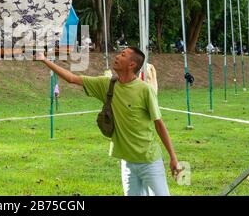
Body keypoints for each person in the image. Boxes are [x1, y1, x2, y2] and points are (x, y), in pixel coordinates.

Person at [36, 47, 180, 196]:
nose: (117, 56)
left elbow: (159, 124)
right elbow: (72, 78)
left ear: (132, 65)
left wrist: (173, 157)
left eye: (123, 55)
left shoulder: (144, 90)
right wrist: (44, 59)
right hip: (127, 162)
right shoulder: (107, 85)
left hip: (149, 161)